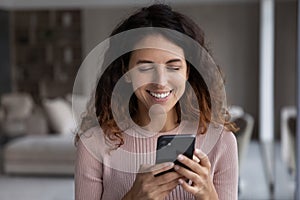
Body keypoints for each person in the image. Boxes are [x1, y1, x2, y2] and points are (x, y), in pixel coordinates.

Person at [75, 3, 238, 200]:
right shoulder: (94, 144)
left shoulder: (221, 141)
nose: (160, 82)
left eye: (174, 67)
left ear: (188, 72)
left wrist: (208, 195)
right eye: (144, 68)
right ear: (126, 72)